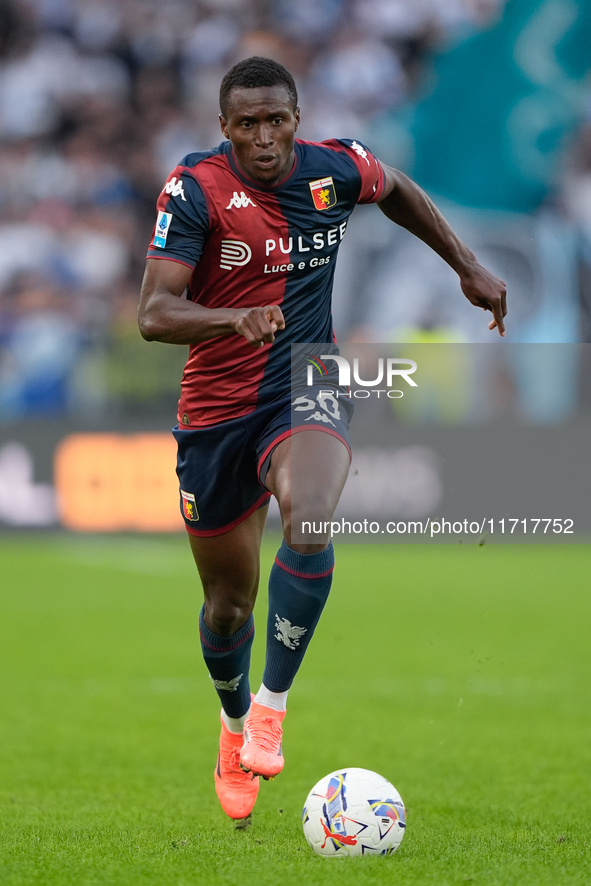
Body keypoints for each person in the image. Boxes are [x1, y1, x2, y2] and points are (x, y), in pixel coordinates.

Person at [138, 56, 506, 824]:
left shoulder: (332, 172)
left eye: (276, 121)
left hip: (307, 381)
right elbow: (154, 313)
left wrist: (466, 266)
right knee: (227, 607)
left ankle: (271, 708)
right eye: (247, 125)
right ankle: (233, 724)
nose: (264, 138)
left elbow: (397, 188)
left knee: (309, 518)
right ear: (225, 128)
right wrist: (227, 319)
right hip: (214, 411)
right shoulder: (195, 189)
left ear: (296, 119)